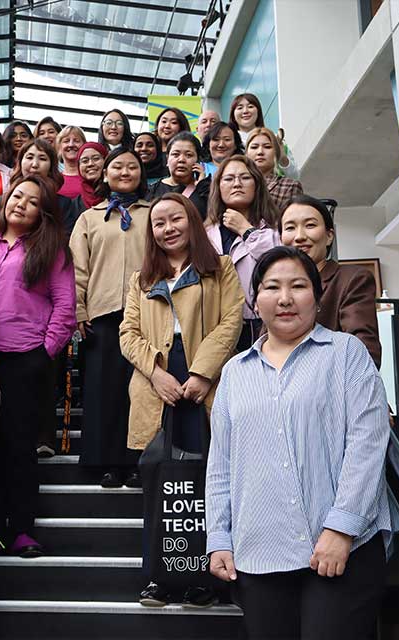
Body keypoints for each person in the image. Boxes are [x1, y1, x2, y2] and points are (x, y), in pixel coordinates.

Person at [207, 246, 393, 640]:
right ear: (254, 301)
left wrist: (341, 528)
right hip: (257, 553)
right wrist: (218, 537)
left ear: (317, 293)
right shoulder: (234, 374)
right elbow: (221, 466)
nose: (285, 298)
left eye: (298, 286)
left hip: (340, 551)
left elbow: (368, 443)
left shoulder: (346, 354)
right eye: (272, 287)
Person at [120, 193, 243, 607]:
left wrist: (202, 373)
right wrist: (156, 374)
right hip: (158, 389)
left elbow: (231, 323)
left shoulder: (220, 268)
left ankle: (203, 579)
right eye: (159, 223)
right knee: (158, 483)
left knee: (203, 486)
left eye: (175, 219)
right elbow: (127, 334)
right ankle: (157, 578)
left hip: (202, 385)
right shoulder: (141, 279)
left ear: (191, 221)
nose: (168, 228)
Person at [0, 176, 76, 557]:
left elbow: (65, 308)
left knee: (18, 446)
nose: (21, 204)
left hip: (26, 359)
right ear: (4, 201)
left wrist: (44, 353)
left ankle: (22, 529)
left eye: (32, 201)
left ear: (41, 213)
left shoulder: (53, 252)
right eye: (17, 196)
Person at [69, 148, 150, 488]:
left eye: (133, 166)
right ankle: (105, 462)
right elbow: (77, 267)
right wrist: (79, 309)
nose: (125, 171)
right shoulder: (90, 218)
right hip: (101, 315)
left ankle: (137, 460)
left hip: (148, 313)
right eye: (117, 166)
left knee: (140, 390)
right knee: (104, 391)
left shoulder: (154, 213)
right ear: (105, 174)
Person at [280, 194, 381, 367]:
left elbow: (364, 355)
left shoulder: (351, 280)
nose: (299, 236)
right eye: (290, 228)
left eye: (310, 225)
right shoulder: (276, 290)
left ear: (329, 236)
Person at [205, 155, 280, 352]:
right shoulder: (205, 234)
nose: (237, 184)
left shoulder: (274, 229)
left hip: (262, 325)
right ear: (218, 187)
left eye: (245, 178)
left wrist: (246, 230)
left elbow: (279, 262)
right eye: (228, 179)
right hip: (214, 328)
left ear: (257, 185)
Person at [0, 138, 80, 235]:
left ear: (51, 167)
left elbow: (66, 240)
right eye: (29, 157)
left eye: (42, 159)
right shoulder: (1, 201)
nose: (35, 165)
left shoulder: (62, 204)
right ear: (20, 162)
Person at [229, 93, 298, 178]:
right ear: (233, 114)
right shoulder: (228, 142)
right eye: (240, 108)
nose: (245, 111)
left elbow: (294, 177)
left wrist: (282, 158)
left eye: (250, 106)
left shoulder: (275, 138)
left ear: (258, 111)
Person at [246, 126, 303, 214]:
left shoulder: (289, 186)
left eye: (267, 147)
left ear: (276, 152)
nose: (260, 152)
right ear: (246, 153)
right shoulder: (235, 183)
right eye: (254, 147)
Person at [147, 132, 205, 217]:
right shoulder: (152, 190)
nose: (181, 159)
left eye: (188, 155)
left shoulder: (205, 189)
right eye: (175, 154)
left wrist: (202, 185)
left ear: (198, 160)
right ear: (167, 159)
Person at [56, 125, 87, 199]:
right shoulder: (54, 179)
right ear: (59, 147)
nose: (71, 144)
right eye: (66, 141)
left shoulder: (90, 178)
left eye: (76, 141)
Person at [77, 141, 107, 210]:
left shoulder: (118, 196)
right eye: (85, 161)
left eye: (96, 158)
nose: (90, 164)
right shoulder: (73, 205)